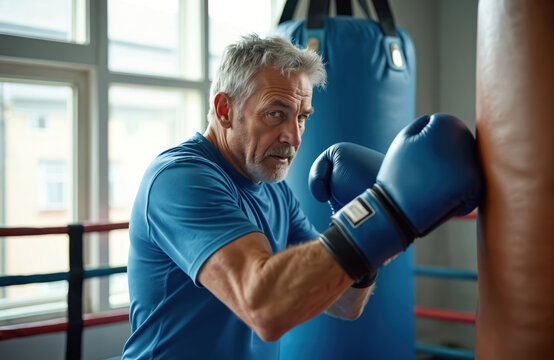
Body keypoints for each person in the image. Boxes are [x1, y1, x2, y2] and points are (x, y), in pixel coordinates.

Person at [122, 34, 482, 359]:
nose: (293, 137)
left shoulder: (275, 191)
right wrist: (387, 210)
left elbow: (345, 302)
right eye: (276, 113)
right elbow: (263, 305)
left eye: (302, 117)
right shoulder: (179, 180)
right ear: (224, 110)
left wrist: (357, 214)